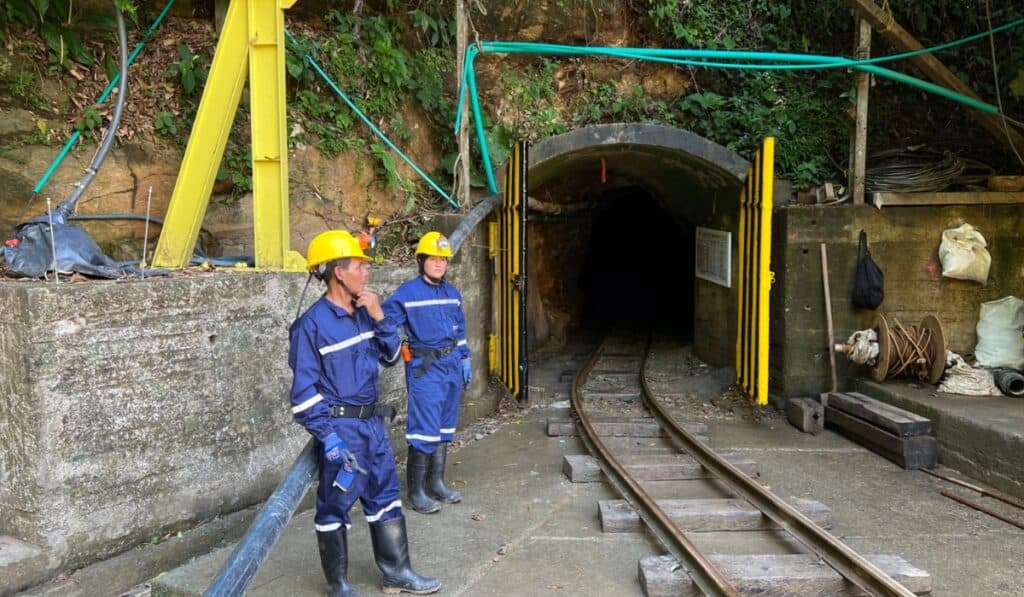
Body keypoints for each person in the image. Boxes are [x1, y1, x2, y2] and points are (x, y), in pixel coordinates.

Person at [289, 230, 440, 596]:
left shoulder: (364, 313)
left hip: (372, 425)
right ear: (339, 272)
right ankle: (339, 584)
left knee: (386, 497)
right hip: (343, 430)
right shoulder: (311, 326)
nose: (366, 272)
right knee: (334, 507)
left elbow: (390, 357)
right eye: (359, 265)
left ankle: (398, 572)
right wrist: (329, 438)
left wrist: (379, 315)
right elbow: (303, 395)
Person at [383, 231, 471, 514]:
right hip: (425, 368)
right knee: (424, 430)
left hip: (451, 366)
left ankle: (436, 483)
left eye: (443, 260)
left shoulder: (452, 294)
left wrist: (465, 359)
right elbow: (384, 323)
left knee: (445, 428)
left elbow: (460, 331)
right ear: (421, 260)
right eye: (433, 259)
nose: (439, 264)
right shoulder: (407, 294)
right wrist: (394, 348)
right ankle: (416, 492)